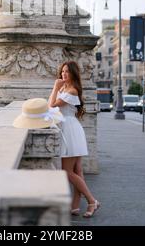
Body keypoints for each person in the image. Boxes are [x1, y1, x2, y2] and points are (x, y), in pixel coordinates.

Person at [48, 60, 100, 218]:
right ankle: (75, 206)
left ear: (73, 74)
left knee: (67, 171)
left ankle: (92, 201)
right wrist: (59, 87)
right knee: (77, 170)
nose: (64, 74)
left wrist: (55, 87)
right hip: (70, 128)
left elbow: (51, 106)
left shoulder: (71, 91)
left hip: (70, 130)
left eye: (67, 72)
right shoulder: (65, 88)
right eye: (62, 71)